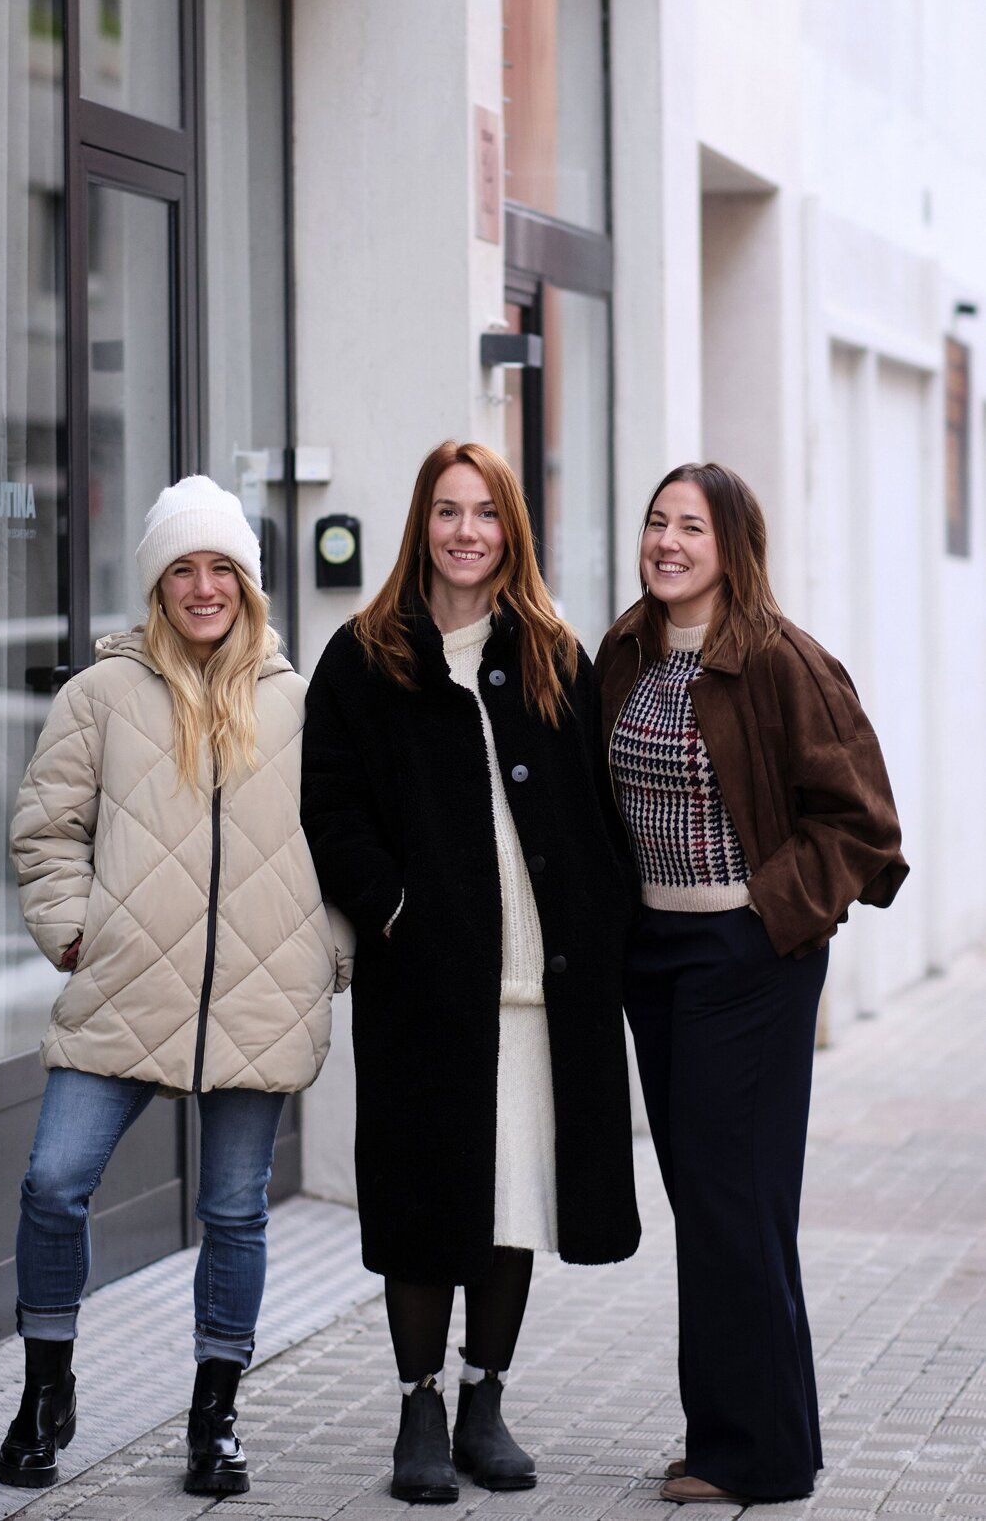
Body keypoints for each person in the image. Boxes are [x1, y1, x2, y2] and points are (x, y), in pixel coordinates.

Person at [0, 475, 351, 1497]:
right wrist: (70, 929)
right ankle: (45, 1390)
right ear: (157, 584)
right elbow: (45, 827)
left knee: (236, 1210)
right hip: (120, 988)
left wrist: (327, 949)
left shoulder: (294, 702)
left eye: (220, 567)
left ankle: (214, 1414)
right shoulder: (98, 696)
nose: (204, 587)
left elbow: (343, 838)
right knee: (53, 1182)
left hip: (259, 993)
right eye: (183, 569)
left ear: (246, 580)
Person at [302, 440, 640, 1504]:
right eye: (446, 510)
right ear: (421, 523)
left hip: (545, 982)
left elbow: (594, 808)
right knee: (421, 1193)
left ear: (509, 530)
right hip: (428, 984)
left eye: (483, 512)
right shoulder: (363, 655)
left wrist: (606, 927)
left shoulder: (550, 650)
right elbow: (329, 808)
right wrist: (394, 906)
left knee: (512, 1199)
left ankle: (484, 1397)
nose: (464, 531)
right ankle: (418, 1403)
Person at [596, 462, 907, 1508]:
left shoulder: (781, 661)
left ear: (732, 545)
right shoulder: (624, 651)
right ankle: (739, 1436)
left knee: (736, 1202)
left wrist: (765, 912)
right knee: (714, 1204)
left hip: (748, 961)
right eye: (655, 522)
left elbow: (862, 823)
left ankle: (753, 1459)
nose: (666, 541)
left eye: (690, 526)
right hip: (656, 955)